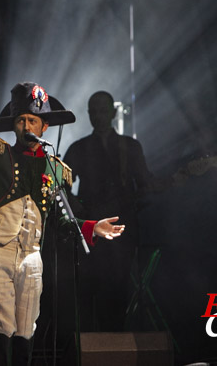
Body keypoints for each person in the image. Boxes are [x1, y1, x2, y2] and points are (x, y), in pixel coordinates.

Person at [0, 68, 125, 366]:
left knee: (25, 331)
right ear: (13, 125)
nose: (26, 125)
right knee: (2, 330)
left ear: (44, 126)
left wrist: (91, 227)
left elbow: (60, 219)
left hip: (31, 258)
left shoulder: (55, 167)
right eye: (20, 120)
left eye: (32, 120)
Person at [63, 91, 170, 332]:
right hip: (91, 232)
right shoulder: (79, 149)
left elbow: (147, 183)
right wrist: (78, 210)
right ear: (89, 115)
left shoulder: (129, 147)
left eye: (103, 110)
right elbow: (61, 187)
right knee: (90, 290)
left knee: (118, 289)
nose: (99, 116)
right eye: (94, 111)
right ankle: (94, 347)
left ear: (113, 112)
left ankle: (114, 344)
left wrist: (179, 177)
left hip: (123, 231)